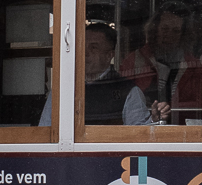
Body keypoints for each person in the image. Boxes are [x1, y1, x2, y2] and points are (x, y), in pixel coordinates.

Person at [39, 23, 169, 127]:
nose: (85, 53)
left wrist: (153, 121)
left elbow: (139, 135)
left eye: (93, 48)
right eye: (82, 46)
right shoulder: (62, 89)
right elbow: (45, 131)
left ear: (109, 56)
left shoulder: (128, 91)